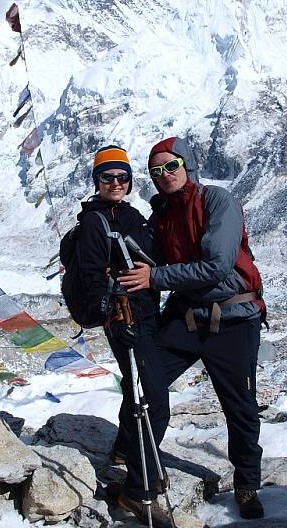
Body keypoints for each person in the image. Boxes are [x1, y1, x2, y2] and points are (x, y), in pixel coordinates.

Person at [118, 136, 267, 520]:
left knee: (240, 406)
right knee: (145, 384)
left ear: (188, 165)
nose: (164, 175)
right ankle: (133, 466)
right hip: (186, 317)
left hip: (233, 320)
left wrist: (155, 278)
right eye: (156, 171)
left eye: (171, 166)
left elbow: (217, 265)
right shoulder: (162, 215)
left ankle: (247, 485)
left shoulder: (218, 201)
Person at [74, 145, 173, 527]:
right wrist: (116, 313)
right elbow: (92, 276)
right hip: (124, 319)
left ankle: (124, 452)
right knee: (155, 401)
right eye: (107, 177)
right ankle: (139, 490)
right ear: (96, 181)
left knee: (139, 393)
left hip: (149, 315)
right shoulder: (94, 223)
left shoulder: (136, 216)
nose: (115, 183)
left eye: (122, 177)